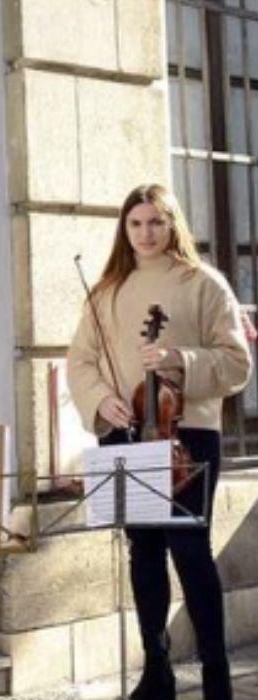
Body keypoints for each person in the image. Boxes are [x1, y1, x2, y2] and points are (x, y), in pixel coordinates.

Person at [67, 183, 251, 700]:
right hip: (124, 431)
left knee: (190, 550)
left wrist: (180, 360)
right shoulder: (106, 291)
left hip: (187, 434)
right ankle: (157, 671)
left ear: (174, 225)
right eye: (136, 223)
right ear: (124, 229)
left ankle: (217, 675)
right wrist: (102, 399)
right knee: (142, 550)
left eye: (156, 222)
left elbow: (237, 363)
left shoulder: (204, 283)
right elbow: (80, 360)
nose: (146, 233)